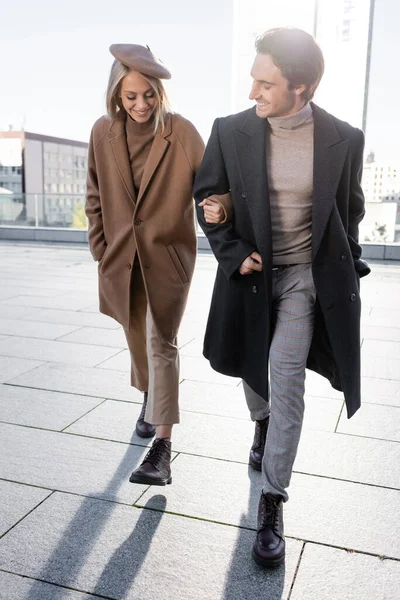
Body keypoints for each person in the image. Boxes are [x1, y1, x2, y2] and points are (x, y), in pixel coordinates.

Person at [194, 27, 370, 567]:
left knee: (286, 377)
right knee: (255, 375)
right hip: (251, 278)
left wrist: (346, 263)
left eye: (265, 83)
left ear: (303, 88)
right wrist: (230, 248)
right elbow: (206, 195)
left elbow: (351, 206)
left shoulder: (344, 138)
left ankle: (273, 501)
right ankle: (261, 422)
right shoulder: (229, 131)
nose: (252, 93)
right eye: (252, 79)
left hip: (304, 280)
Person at [85, 44, 204, 486]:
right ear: (117, 94)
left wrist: (220, 211)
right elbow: (94, 194)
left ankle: (162, 447)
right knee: (137, 335)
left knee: (160, 341)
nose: (140, 105)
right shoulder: (102, 132)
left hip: (167, 259)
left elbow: (213, 187)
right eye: (131, 96)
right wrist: (101, 247)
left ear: (159, 93)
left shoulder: (182, 132)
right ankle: (149, 394)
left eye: (148, 95)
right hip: (120, 259)